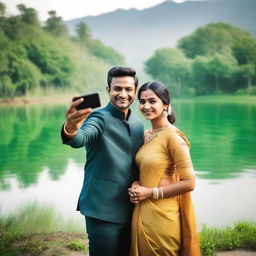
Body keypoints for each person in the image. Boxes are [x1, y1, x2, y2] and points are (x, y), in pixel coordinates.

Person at [61, 67, 144, 256]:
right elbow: (81, 138)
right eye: (117, 88)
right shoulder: (98, 117)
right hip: (102, 209)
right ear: (108, 90)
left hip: (132, 209)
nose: (123, 94)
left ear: (135, 91)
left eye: (128, 89)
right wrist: (71, 127)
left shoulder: (138, 124)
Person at [128, 81, 201, 256]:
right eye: (142, 101)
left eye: (152, 101)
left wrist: (151, 193)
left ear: (165, 104)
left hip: (163, 214)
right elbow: (146, 169)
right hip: (142, 209)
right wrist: (137, 183)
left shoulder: (174, 137)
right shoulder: (147, 135)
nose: (146, 106)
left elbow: (190, 183)